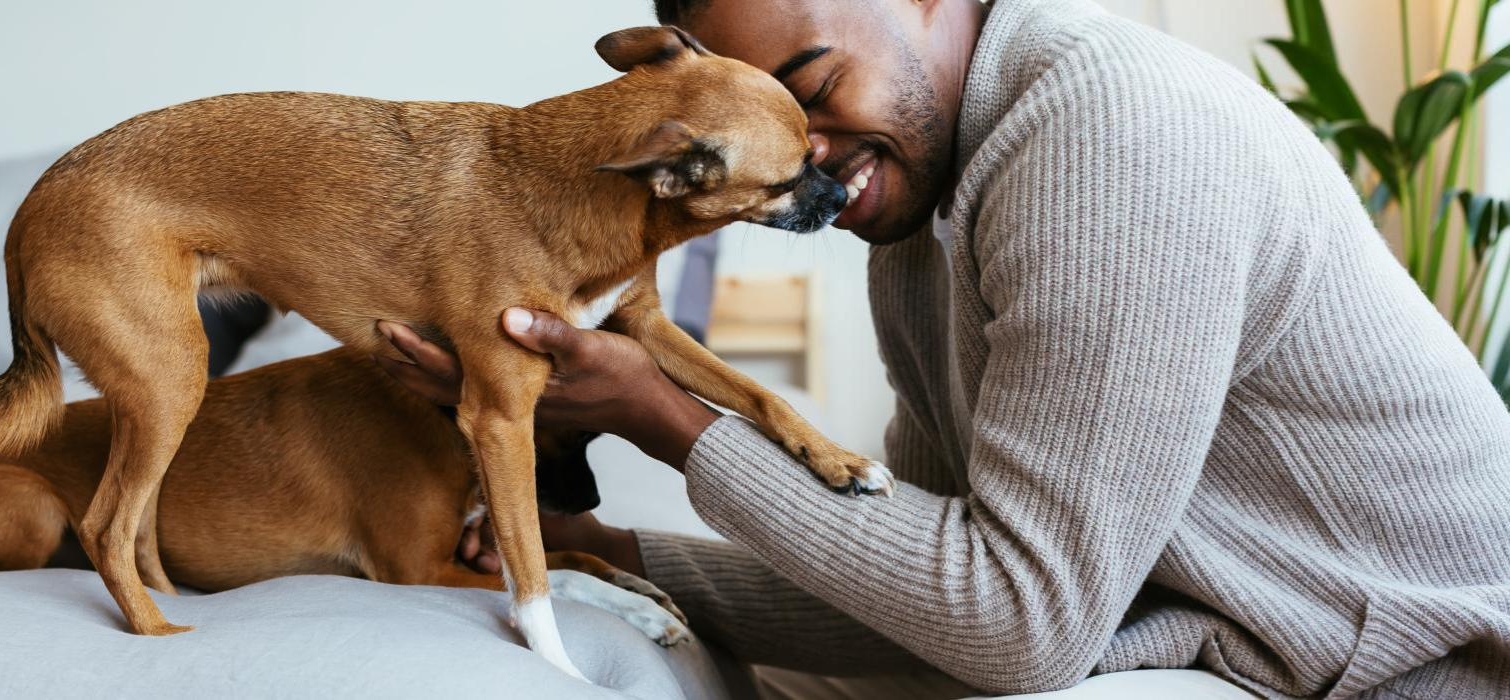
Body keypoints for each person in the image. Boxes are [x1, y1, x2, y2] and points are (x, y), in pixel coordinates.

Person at [376, 0, 1510, 697]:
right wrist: (602, 548)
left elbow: (1018, 624)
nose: (806, 163)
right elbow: (921, 591)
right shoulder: (926, 219)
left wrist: (659, 413)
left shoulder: (1109, 130)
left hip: (1409, 671)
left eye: (813, 88)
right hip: (1222, 641)